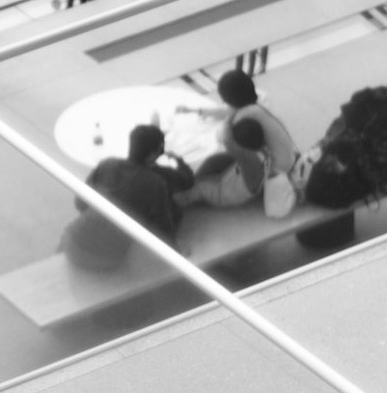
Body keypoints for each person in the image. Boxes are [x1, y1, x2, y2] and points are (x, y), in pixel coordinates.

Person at [65, 120, 190, 266]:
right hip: (105, 258)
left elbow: (80, 202)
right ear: (152, 155)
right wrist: (177, 251)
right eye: (160, 149)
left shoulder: (107, 163)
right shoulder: (155, 183)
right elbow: (164, 231)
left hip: (72, 241)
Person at [212, 67, 297, 174]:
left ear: (227, 99)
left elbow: (223, 137)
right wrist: (199, 110)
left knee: (221, 167)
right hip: (290, 158)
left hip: (278, 169)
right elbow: (226, 111)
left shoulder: (243, 116)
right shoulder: (257, 105)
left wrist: (227, 120)